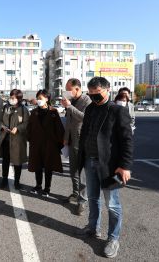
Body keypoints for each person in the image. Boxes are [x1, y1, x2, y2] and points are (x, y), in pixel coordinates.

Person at [77, 77, 133, 258]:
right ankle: (93, 228)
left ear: (108, 90)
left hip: (109, 166)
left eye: (97, 94)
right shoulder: (90, 109)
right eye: (91, 94)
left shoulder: (117, 111)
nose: (94, 98)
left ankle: (113, 238)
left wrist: (124, 166)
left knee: (112, 204)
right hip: (89, 161)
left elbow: (127, 140)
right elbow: (85, 133)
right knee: (93, 198)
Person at [61, 78, 92, 215]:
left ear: (77, 89)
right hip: (71, 140)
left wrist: (70, 107)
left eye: (69, 89)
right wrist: (65, 138)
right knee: (73, 170)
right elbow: (68, 121)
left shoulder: (87, 101)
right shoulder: (71, 101)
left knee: (82, 173)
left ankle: (82, 200)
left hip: (81, 140)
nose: (67, 92)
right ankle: (75, 193)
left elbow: (85, 118)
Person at [27, 89, 64, 197]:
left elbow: (59, 129)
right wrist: (30, 139)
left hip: (50, 144)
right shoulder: (34, 112)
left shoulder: (53, 112)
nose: (38, 100)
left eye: (41, 98)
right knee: (37, 166)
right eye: (37, 98)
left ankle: (47, 188)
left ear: (47, 99)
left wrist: (59, 144)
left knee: (48, 167)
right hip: (36, 143)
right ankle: (38, 185)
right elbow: (29, 128)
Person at [0, 89, 29, 189]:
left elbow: (26, 123)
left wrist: (18, 128)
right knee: (6, 160)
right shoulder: (6, 107)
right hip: (6, 138)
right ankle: (4, 179)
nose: (11, 99)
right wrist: (2, 126)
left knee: (17, 161)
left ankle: (17, 181)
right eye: (10, 97)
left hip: (18, 139)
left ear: (19, 98)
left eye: (13, 98)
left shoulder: (23, 110)